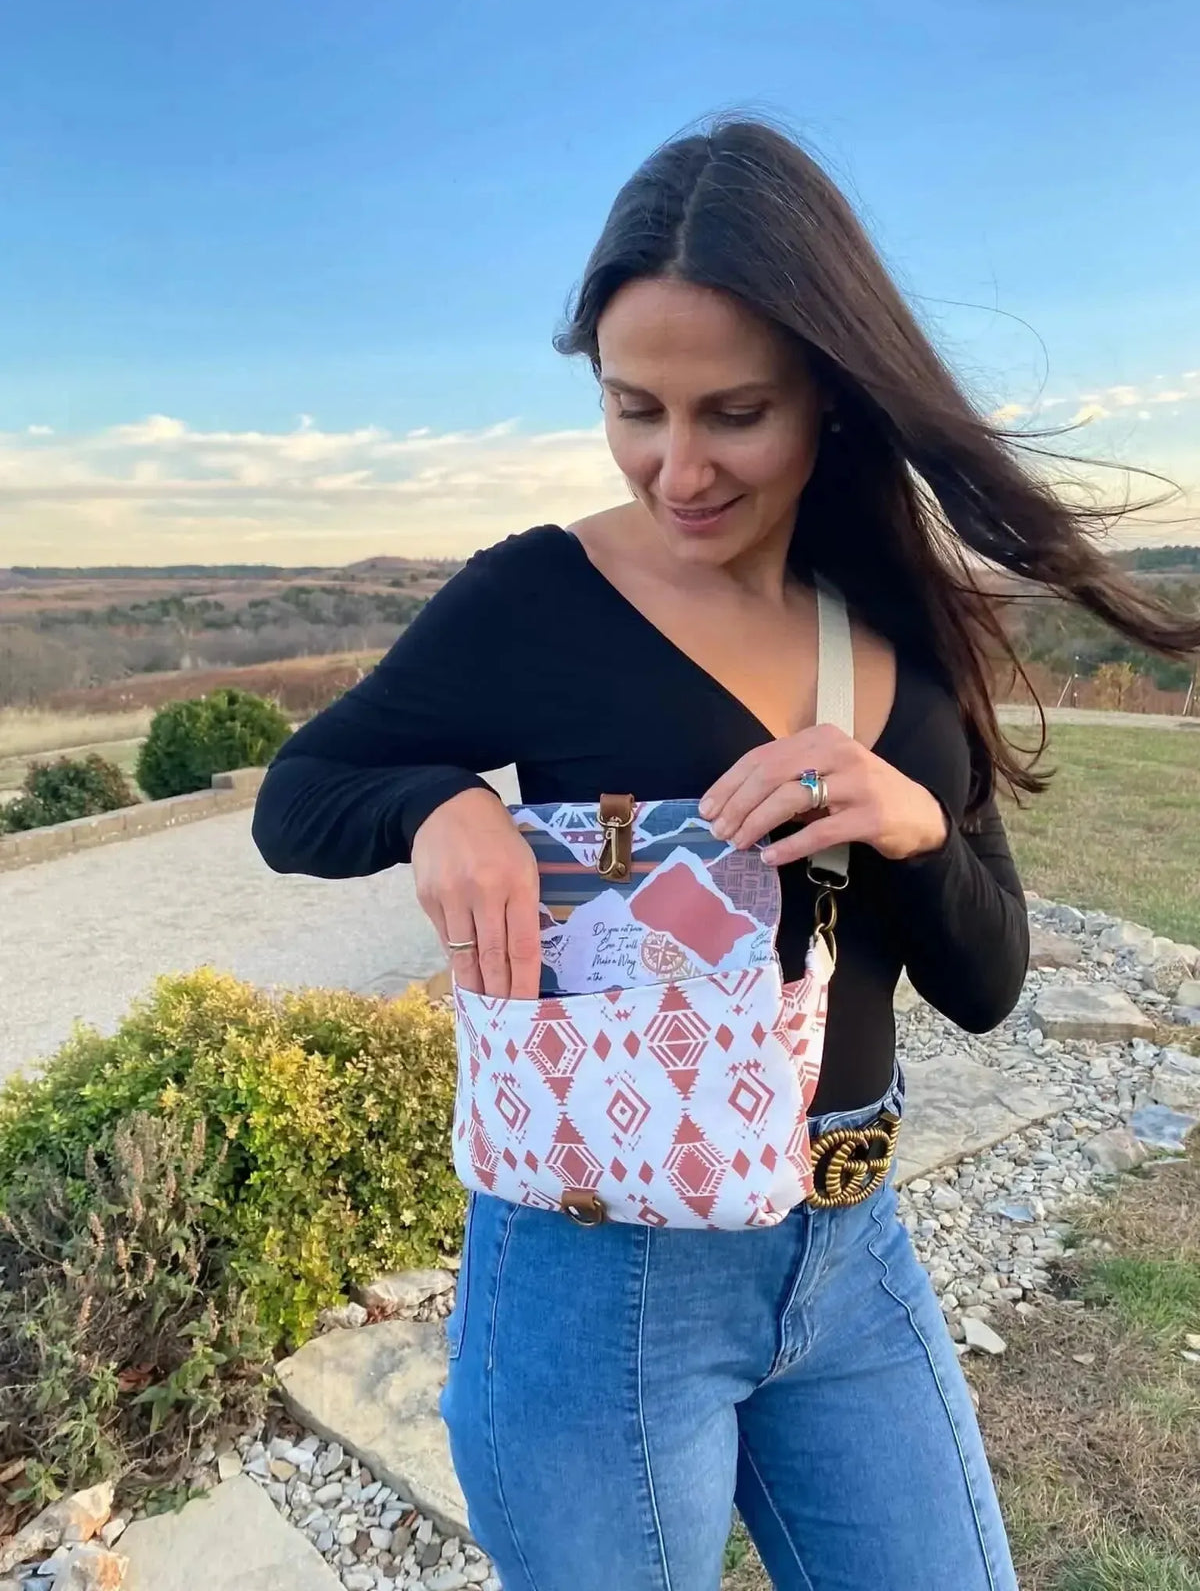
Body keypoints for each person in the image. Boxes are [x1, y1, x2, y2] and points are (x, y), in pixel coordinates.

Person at [252, 118, 1200, 1591]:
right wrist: (436, 806)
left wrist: (915, 825)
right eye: (635, 409)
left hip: (854, 1251)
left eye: (733, 415)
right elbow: (300, 795)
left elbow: (991, 982)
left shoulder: (895, 614)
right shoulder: (537, 599)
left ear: (830, 392)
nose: (674, 468)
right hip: (596, 1276)